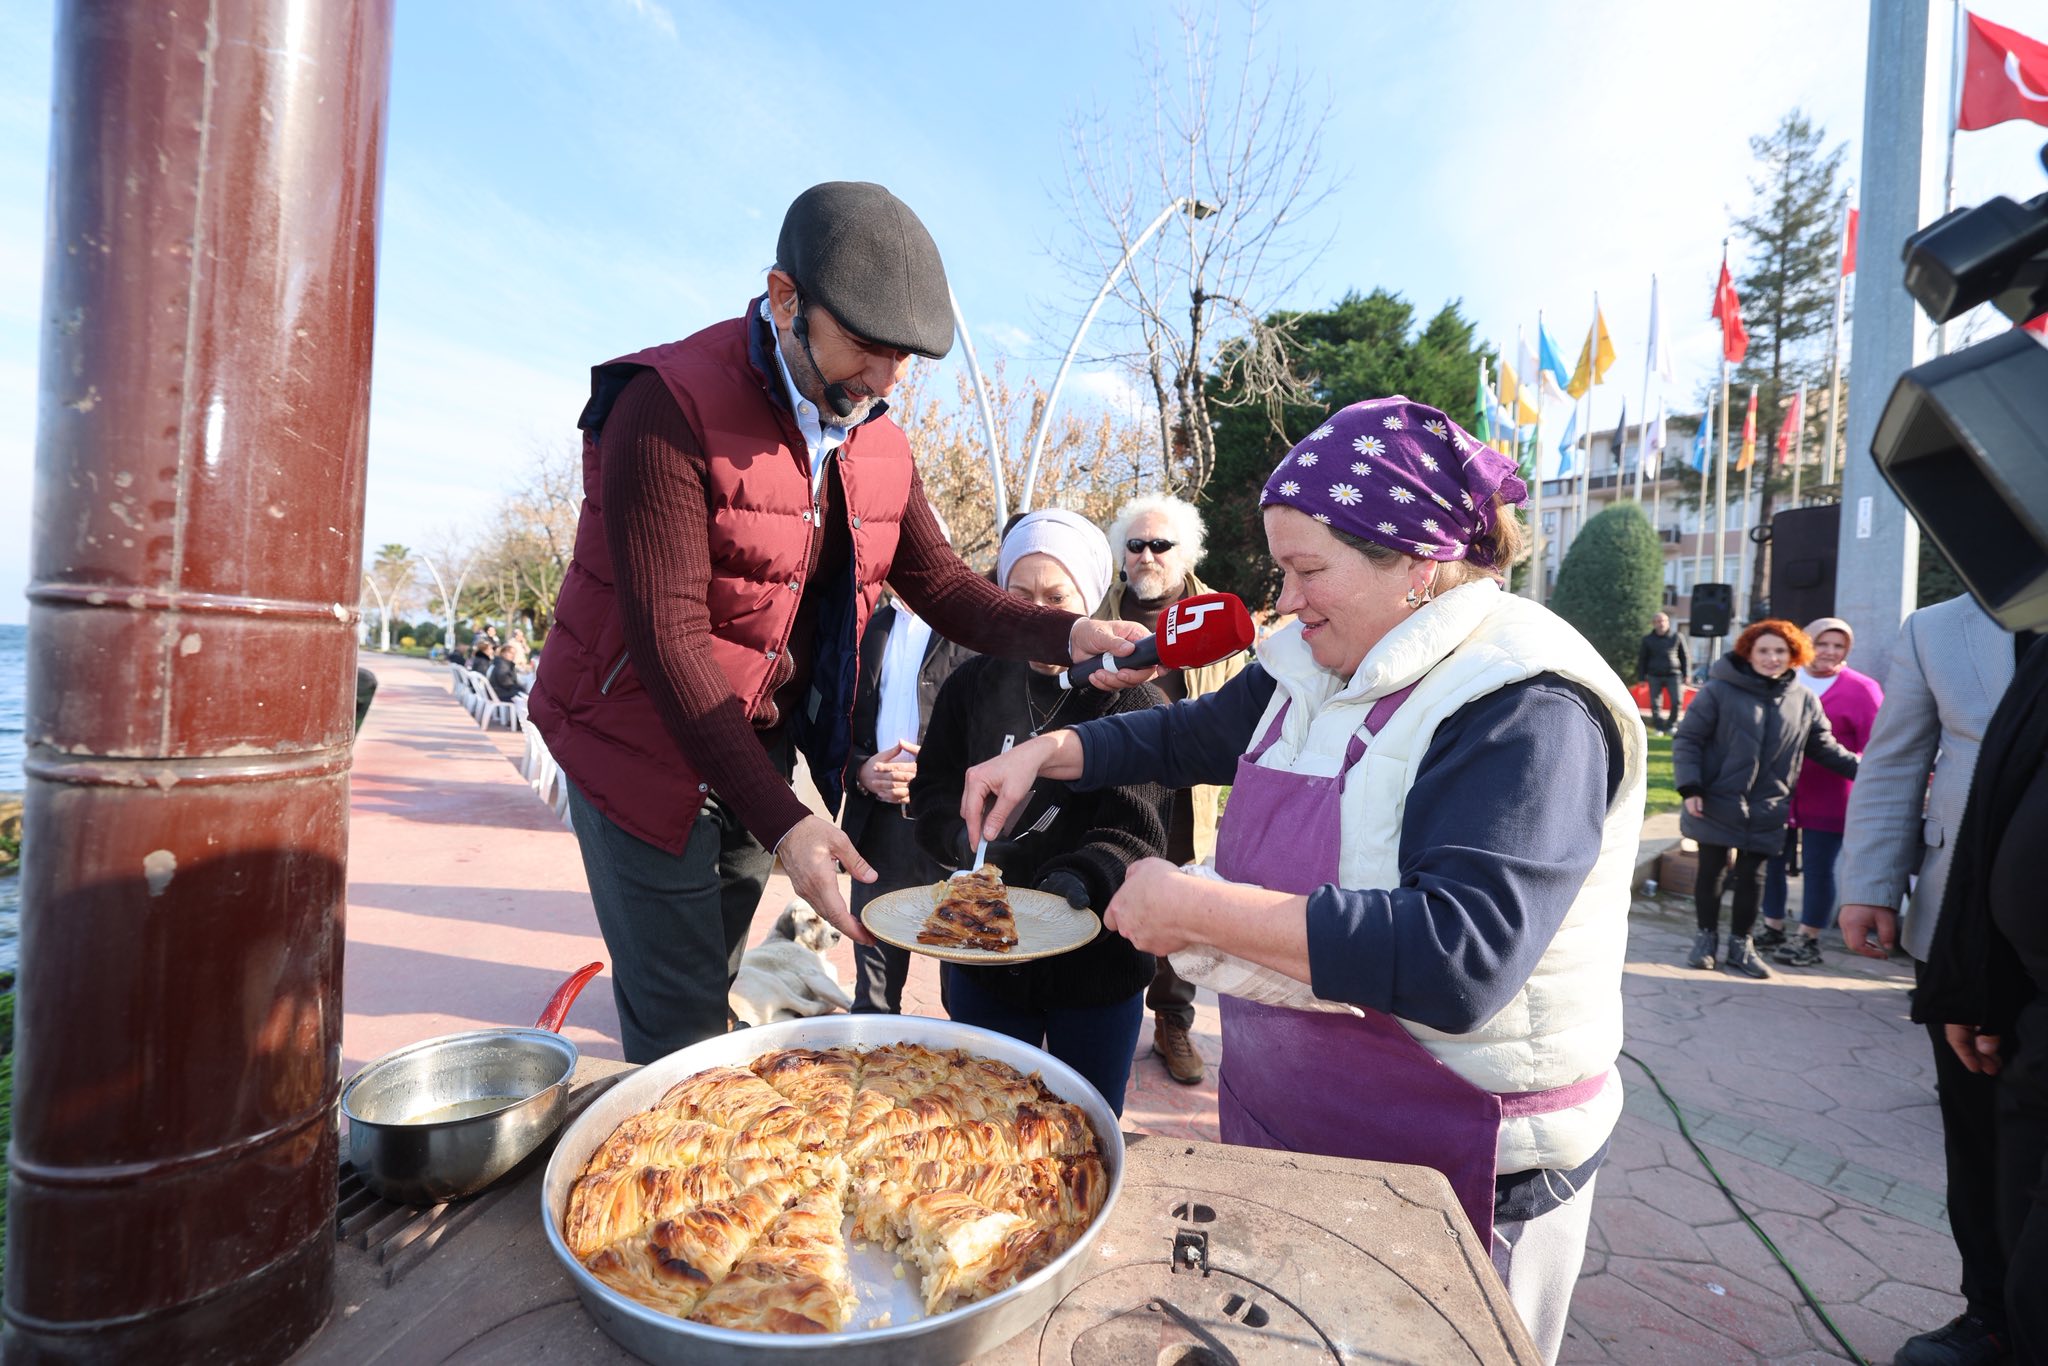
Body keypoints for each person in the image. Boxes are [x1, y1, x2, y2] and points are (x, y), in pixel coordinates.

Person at [958, 397, 1645, 1362]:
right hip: (1292, 1117)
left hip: (1462, 1163)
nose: (1285, 600)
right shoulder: (1319, 659)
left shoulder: (1526, 704)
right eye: (1282, 570)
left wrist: (1198, 908)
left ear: (1417, 562)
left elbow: (1461, 958)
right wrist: (1051, 752)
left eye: (1308, 570)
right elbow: (1187, 733)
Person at [528, 182, 1148, 1063]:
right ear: (786, 298)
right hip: (639, 747)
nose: (886, 382)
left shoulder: (875, 433)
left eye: (905, 360)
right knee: (679, 1030)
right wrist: (788, 822)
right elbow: (671, 645)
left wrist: (1069, 636)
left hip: (755, 747)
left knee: (717, 975)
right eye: (867, 348)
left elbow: (941, 583)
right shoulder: (665, 405)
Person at [911, 509, 1172, 1113]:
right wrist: (957, 839)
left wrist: (1081, 877)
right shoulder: (970, 684)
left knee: (1085, 1122)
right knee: (979, 1116)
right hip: (983, 957)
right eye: (1020, 596)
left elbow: (1138, 832)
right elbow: (932, 791)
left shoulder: (1136, 701)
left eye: (1057, 598)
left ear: (1090, 603)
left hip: (1097, 964)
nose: (1040, 613)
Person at [1836, 595, 2024, 1366]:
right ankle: (1992, 1313)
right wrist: (1871, 883)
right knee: (1978, 1135)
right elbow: (1895, 760)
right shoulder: (1937, 629)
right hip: (1961, 923)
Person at [1913, 635, 2048, 1363]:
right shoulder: (2014, 646)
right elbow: (1994, 799)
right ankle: (1991, 1316)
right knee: (1991, 1164)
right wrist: (1973, 979)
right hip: (2002, 976)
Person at [1096, 492, 1246, 1085]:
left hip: (1187, 793)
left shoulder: (1220, 619)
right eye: (1135, 545)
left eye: (1161, 544)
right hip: (1113, 787)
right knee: (1108, 896)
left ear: (1187, 554)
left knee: (1180, 909)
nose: (1147, 555)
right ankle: (1100, 1016)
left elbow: (1240, 712)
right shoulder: (1096, 613)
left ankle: (1172, 1022)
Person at [841, 518, 976, 1015]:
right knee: (874, 986)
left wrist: (935, 774)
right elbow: (839, 727)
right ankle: (868, 1061)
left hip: (949, 826)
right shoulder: (865, 626)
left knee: (962, 981)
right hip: (878, 829)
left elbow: (996, 734)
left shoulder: (972, 629)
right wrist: (860, 771)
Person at [1673, 620, 1858, 980]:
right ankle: (1705, 940)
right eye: (1763, 651)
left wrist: (1871, 771)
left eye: (1780, 651)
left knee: (1753, 876)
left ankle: (1741, 946)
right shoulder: (1718, 690)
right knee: (1711, 870)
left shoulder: (1804, 700)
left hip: (1769, 805)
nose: (1771, 658)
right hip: (1715, 798)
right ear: (1748, 653)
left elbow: (1825, 748)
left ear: (1794, 655)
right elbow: (1688, 739)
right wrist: (1690, 788)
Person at [1755, 617, 1882, 968]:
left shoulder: (1863, 689)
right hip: (1780, 791)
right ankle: (1772, 926)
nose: (1829, 652)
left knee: (1819, 867)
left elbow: (1875, 745)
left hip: (1832, 795)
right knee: (1771, 860)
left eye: (1838, 646)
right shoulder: (1784, 680)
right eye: (1822, 643)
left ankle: (1808, 937)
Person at [1636, 612, 1690, 733]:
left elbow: (1684, 657)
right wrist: (1641, 678)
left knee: (1677, 701)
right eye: (1658, 621)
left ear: (1668, 622)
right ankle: (1659, 727)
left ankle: (1671, 725)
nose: (1661, 624)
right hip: (1654, 675)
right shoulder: (1647, 639)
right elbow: (1642, 659)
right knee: (1655, 703)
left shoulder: (1677, 636)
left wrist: (1687, 674)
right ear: (1654, 624)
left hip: (1674, 674)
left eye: (1664, 621)